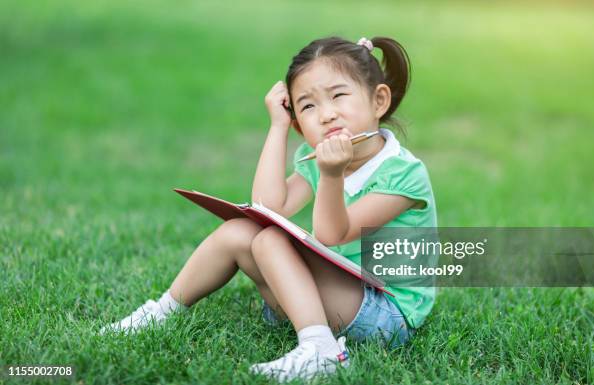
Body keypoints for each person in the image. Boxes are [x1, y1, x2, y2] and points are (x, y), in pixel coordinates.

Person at [100, 36, 437, 382]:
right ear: (297, 123)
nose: (326, 114)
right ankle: (162, 311)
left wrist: (331, 175)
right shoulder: (317, 159)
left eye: (338, 96)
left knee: (269, 241)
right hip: (333, 296)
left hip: (386, 314)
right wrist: (277, 127)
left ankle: (322, 350)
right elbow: (268, 206)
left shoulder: (404, 174)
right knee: (239, 232)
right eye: (307, 106)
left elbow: (332, 234)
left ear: (379, 100)